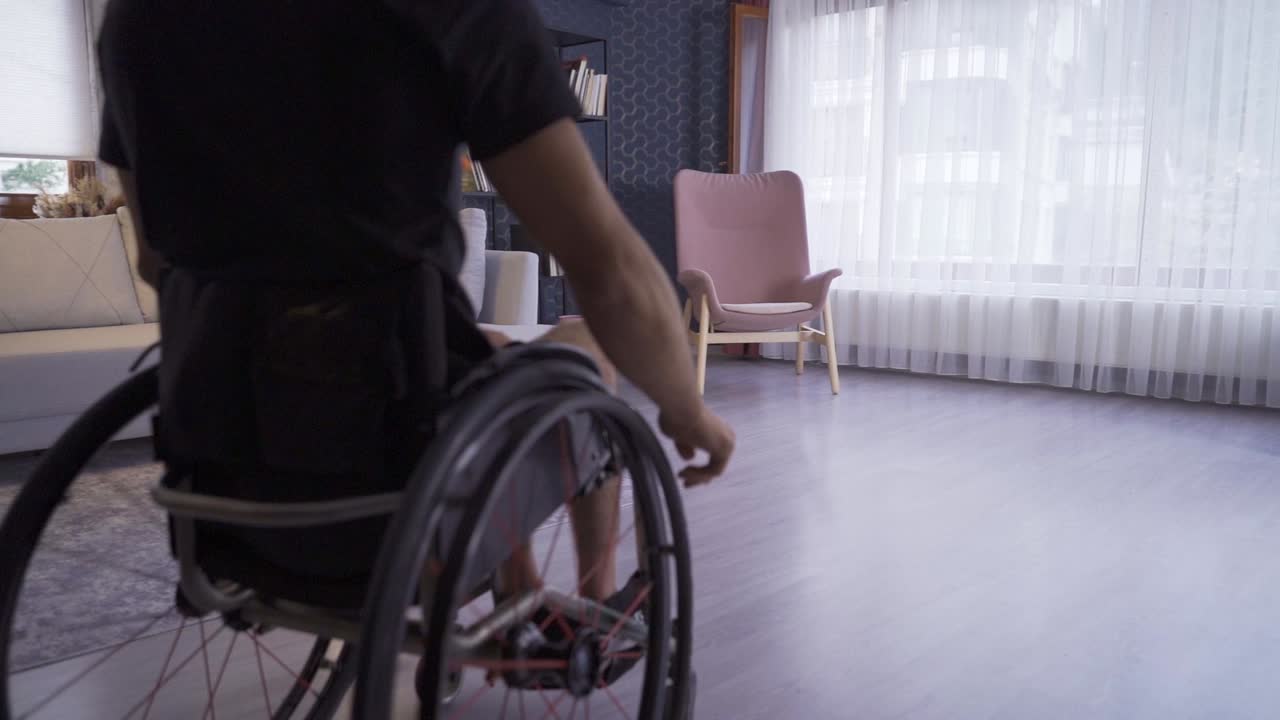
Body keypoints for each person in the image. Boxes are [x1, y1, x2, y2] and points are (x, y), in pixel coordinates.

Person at [94, 0, 734, 613]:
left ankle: (521, 587)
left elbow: (156, 262)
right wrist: (689, 413)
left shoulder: (136, 16)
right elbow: (610, 271)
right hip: (395, 470)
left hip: (221, 475)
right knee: (587, 347)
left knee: (494, 352)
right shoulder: (454, 10)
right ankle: (596, 608)